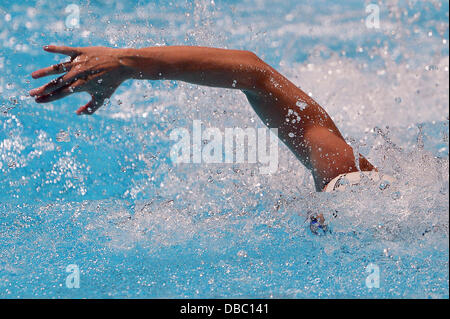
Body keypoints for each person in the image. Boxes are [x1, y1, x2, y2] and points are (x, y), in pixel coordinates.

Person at [29, 45, 389, 233]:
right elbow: (255, 74)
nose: (315, 218)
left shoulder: (358, 195)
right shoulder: (350, 180)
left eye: (316, 220)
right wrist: (124, 63)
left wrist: (125, 62)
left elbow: (256, 73)